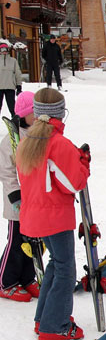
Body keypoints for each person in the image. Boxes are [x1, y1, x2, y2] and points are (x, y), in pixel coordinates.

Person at [16, 88, 89, 340]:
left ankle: (44, 318)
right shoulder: (58, 143)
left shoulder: (28, 141)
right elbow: (73, 184)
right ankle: (54, 325)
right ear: (60, 112)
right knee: (65, 269)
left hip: (35, 215)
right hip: (54, 216)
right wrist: (83, 164)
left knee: (56, 265)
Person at [0, 91, 38, 301]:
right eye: (33, 113)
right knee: (16, 242)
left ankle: (27, 277)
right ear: (23, 114)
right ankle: (6, 281)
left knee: (33, 241)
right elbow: (6, 171)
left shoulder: (38, 133)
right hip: (17, 201)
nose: (36, 116)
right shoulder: (11, 139)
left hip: (35, 199)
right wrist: (16, 196)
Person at [0, 40, 22, 116]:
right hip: (0, 87)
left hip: (10, 87)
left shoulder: (13, 61)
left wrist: (19, 86)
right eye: (2, 50)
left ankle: (15, 123)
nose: (4, 52)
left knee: (12, 108)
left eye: (5, 50)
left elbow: (18, 73)